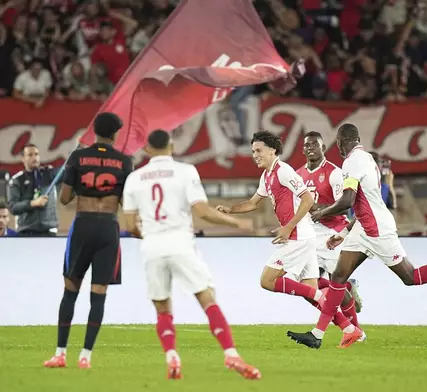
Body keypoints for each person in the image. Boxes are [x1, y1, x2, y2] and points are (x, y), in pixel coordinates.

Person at [287, 123, 427, 349]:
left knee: (411, 276)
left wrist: (322, 213)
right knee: (338, 277)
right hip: (363, 228)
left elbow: (348, 201)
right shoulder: (367, 159)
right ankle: (321, 334)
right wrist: (346, 232)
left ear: (339, 143)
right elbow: (364, 202)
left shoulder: (351, 162)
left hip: (377, 230)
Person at [121, 130, 260, 380]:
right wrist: (236, 223)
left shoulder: (134, 178)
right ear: (171, 146)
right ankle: (230, 355)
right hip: (180, 243)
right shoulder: (186, 172)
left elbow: (130, 225)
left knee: (163, 308)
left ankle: (172, 357)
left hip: (152, 247)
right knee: (207, 299)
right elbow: (203, 211)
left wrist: (151, 235)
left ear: (148, 149)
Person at [216, 131, 360, 344]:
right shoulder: (267, 176)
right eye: (253, 151)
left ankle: (325, 297)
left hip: (298, 236)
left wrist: (288, 226)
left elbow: (308, 199)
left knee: (267, 280)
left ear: (272, 150)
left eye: (259, 150)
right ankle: (350, 329)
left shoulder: (284, 171)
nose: (255, 154)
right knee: (309, 291)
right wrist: (230, 210)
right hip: (304, 235)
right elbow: (252, 203)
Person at [44, 112, 133, 369]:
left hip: (82, 225)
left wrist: (75, 175)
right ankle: (86, 356)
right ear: (115, 134)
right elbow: (127, 202)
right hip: (108, 228)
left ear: (95, 131)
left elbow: (64, 199)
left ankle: (60, 354)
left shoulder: (78, 157)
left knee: (70, 291)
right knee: (99, 294)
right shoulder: (124, 161)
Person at [296, 130, 364, 337]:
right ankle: (349, 324)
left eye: (314, 144)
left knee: (335, 285)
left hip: (332, 233)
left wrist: (319, 208)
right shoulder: (298, 175)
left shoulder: (334, 173)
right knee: (306, 283)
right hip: (310, 233)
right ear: (303, 149)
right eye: (307, 145)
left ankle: (355, 330)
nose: (310, 148)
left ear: (323, 148)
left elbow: (345, 207)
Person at [7, 144, 61, 236]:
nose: (34, 157)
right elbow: (13, 207)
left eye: (36, 154)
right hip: (26, 232)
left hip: (49, 232)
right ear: (23, 158)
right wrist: (33, 203)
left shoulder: (49, 174)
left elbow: (66, 171)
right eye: (30, 155)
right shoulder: (17, 180)